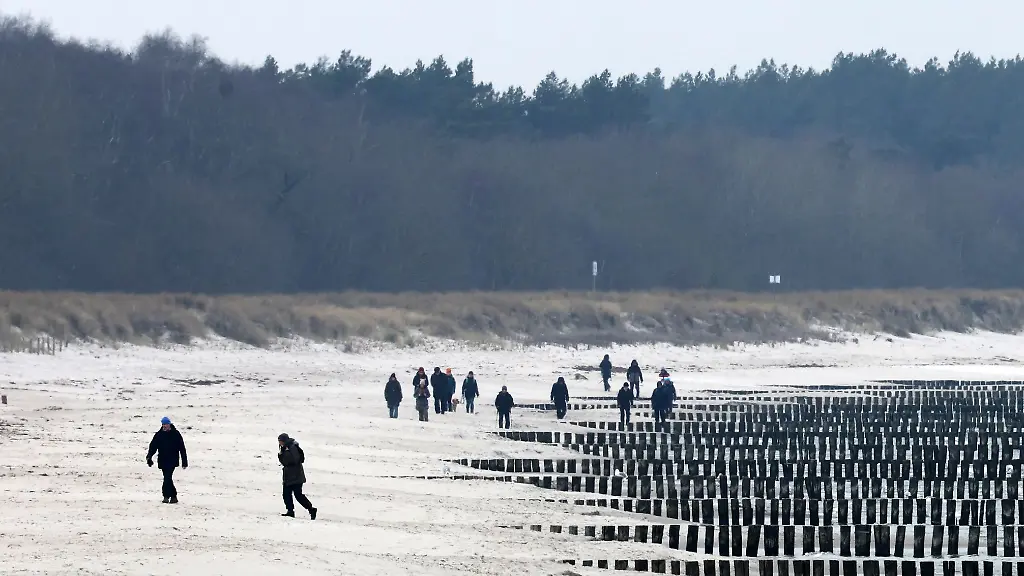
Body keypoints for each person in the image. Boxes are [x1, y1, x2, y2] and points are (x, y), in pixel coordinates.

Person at [146, 416, 188, 504]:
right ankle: (173, 497)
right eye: (163, 424)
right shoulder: (159, 434)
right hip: (162, 460)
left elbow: (182, 448)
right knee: (167, 478)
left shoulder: (176, 434)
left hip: (172, 460)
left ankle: (166, 496)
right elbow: (153, 446)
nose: (164, 426)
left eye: (165, 424)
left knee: (167, 477)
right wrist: (149, 457)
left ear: (169, 424)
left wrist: (184, 462)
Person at [278, 433, 317, 519]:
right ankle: (290, 511)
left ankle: (311, 509)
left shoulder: (292, 447)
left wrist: (282, 455)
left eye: (280, 441)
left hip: (296, 476)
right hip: (289, 475)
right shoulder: (285, 448)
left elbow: (294, 460)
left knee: (298, 495)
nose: (280, 443)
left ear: (284, 440)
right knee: (286, 494)